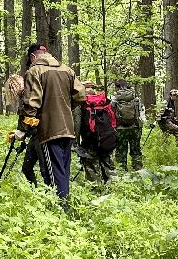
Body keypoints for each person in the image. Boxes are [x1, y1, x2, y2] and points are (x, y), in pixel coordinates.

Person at [18, 43, 86, 208]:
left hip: (49, 130)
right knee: (63, 170)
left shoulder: (34, 71)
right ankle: (63, 205)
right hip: (68, 128)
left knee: (53, 172)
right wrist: (65, 107)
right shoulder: (67, 70)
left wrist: (23, 129)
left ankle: (62, 210)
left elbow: (32, 104)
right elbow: (80, 95)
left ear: (33, 57)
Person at [76, 86, 118, 183]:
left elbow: (77, 124)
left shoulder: (82, 105)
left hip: (89, 140)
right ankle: (113, 185)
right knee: (107, 162)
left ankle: (95, 186)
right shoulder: (105, 103)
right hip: (106, 138)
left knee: (91, 164)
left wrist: (77, 141)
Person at [112, 78, 145, 170]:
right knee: (136, 148)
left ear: (117, 86)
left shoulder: (114, 99)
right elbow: (140, 111)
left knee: (120, 149)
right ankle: (138, 167)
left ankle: (122, 169)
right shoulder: (135, 97)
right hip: (135, 127)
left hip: (120, 128)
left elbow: (111, 113)